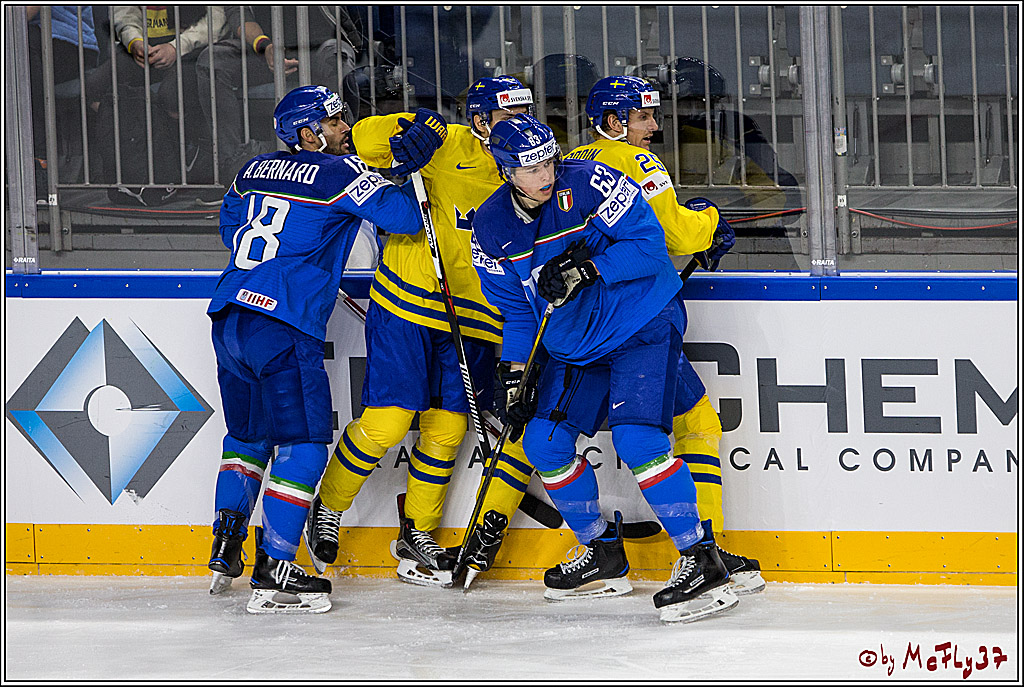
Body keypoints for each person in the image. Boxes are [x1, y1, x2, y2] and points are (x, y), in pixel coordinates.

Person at [471, 113, 738, 623]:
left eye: (547, 161)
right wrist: (513, 373)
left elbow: (649, 248)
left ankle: (700, 559)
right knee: (543, 442)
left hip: (640, 319)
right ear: (503, 169)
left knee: (640, 443)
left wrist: (587, 268)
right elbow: (517, 310)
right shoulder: (488, 227)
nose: (544, 176)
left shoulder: (593, 181)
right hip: (575, 343)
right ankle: (603, 554)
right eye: (529, 170)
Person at [303, 76, 537, 588]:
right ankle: (328, 507)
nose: (520, 122)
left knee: (449, 428)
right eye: (507, 114)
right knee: (387, 422)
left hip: (478, 317)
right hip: (408, 301)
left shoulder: (533, 165)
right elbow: (358, 140)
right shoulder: (449, 143)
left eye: (526, 110)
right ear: (478, 122)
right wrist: (416, 129)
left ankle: (418, 532)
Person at [205, 85, 422, 614]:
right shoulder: (340, 173)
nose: (344, 129)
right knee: (303, 446)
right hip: (282, 323)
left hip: (230, 315)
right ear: (307, 133)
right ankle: (277, 568)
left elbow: (231, 229)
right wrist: (398, 170)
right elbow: (407, 220)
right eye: (334, 122)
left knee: (247, 438)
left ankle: (226, 547)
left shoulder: (249, 171)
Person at [565, 75, 764, 595]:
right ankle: (700, 551)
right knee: (679, 428)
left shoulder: (569, 163)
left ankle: (634, 550)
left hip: (590, 320)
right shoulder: (637, 164)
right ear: (614, 123)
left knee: (558, 435)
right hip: (643, 316)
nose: (654, 127)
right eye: (644, 117)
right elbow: (677, 233)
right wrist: (710, 218)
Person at [194, 5, 362, 197]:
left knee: (336, 57)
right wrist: (265, 47)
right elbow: (239, 16)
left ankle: (342, 166)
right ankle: (234, 171)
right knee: (213, 60)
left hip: (320, 46)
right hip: (265, 54)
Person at [86, 6, 229, 204]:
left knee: (172, 94)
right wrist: (135, 42)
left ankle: (175, 170)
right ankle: (132, 168)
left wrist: (176, 47)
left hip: (195, 49)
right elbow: (124, 15)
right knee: (94, 87)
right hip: (147, 48)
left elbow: (217, 23)